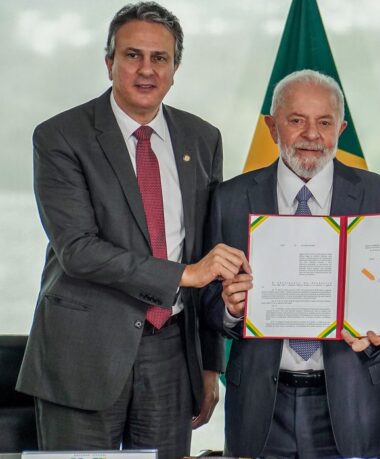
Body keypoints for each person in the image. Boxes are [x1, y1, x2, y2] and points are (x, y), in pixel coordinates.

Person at [16, 3, 249, 458]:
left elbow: (207, 252)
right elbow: (78, 250)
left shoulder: (203, 139)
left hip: (170, 353)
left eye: (159, 58)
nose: (146, 70)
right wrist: (184, 275)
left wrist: (208, 364)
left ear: (175, 68)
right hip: (84, 354)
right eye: (132, 55)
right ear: (109, 63)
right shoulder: (60, 136)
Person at [203, 69, 380, 459]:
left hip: (357, 401)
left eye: (324, 122)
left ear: (341, 128)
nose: (312, 135)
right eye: (296, 120)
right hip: (263, 407)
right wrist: (229, 308)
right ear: (271, 126)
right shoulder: (230, 199)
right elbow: (207, 305)